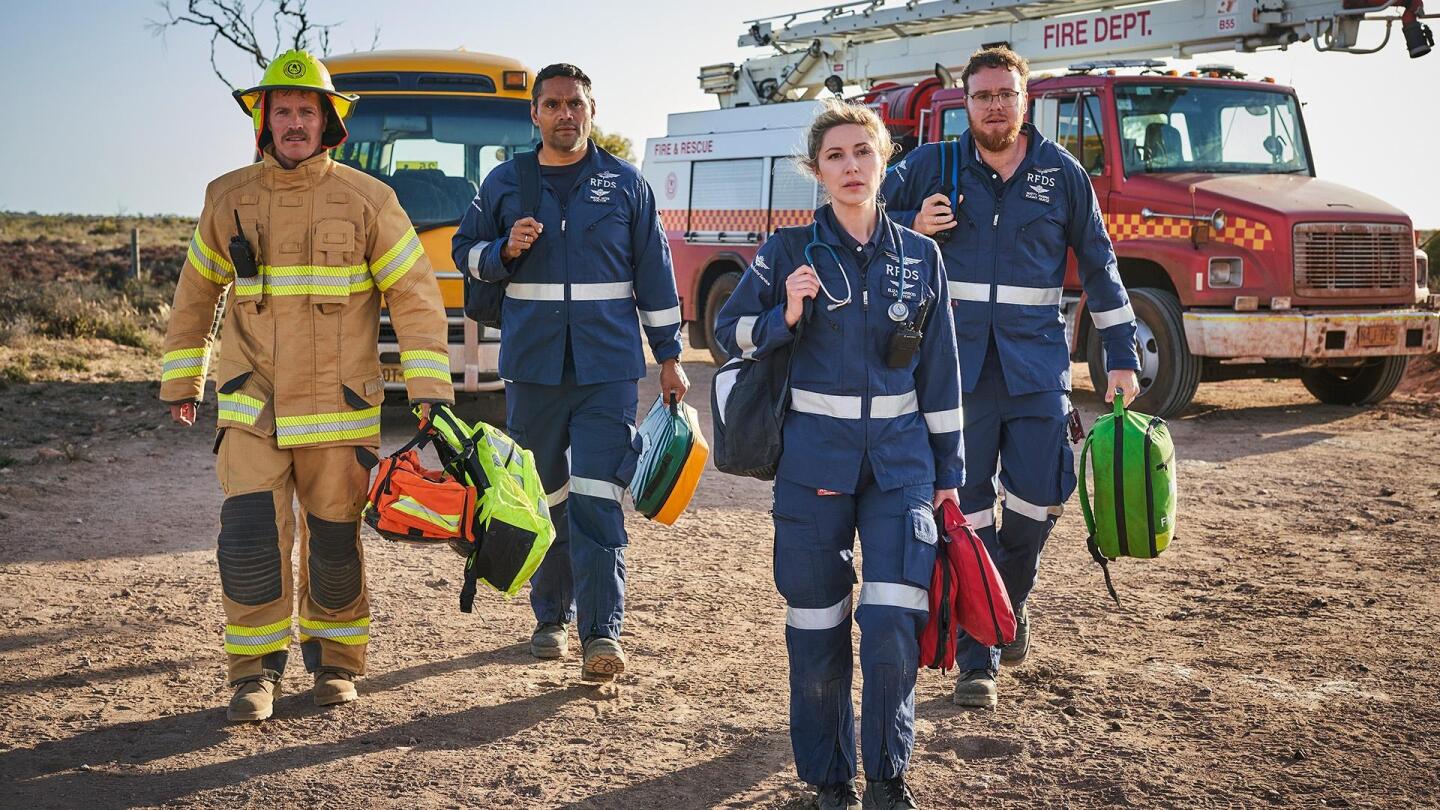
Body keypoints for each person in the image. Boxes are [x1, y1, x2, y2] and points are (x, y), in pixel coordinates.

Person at [161, 50, 452, 722]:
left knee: (334, 543)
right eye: (283, 111)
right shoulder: (226, 198)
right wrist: (183, 380)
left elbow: (415, 296)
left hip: (339, 411)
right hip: (251, 404)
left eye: (306, 112)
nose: (295, 123)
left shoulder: (370, 201)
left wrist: (429, 389)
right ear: (264, 120)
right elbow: (196, 293)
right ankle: (253, 675)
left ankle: (336, 664)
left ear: (328, 123)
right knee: (250, 541)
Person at [716, 99, 963, 810]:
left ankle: (887, 776)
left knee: (892, 620)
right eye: (835, 156)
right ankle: (830, 781)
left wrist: (950, 475)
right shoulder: (786, 251)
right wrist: (784, 314)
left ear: (884, 160)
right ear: (816, 170)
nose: (851, 166)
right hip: (812, 466)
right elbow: (728, 332)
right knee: (817, 626)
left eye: (863, 152)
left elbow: (941, 371)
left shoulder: (922, 256)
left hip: (901, 468)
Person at [879, 46, 1141, 709]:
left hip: (1035, 369)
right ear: (965, 104)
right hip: (954, 373)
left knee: (1039, 501)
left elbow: (1101, 264)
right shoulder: (931, 166)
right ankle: (980, 657)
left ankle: (1006, 604)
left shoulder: (1063, 174)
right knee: (968, 515)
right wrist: (910, 225)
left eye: (1006, 94)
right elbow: (854, 217)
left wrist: (1122, 355)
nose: (995, 106)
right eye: (983, 96)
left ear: (1026, 101)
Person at [451, 64, 687, 681]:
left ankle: (602, 632)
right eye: (553, 104)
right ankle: (551, 616)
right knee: (545, 496)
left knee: (598, 495)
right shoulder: (504, 182)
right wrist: (502, 249)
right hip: (532, 369)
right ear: (535, 114)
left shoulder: (627, 185)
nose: (565, 114)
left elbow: (655, 276)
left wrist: (670, 357)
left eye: (575, 103)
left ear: (591, 110)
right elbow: (463, 253)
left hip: (607, 370)